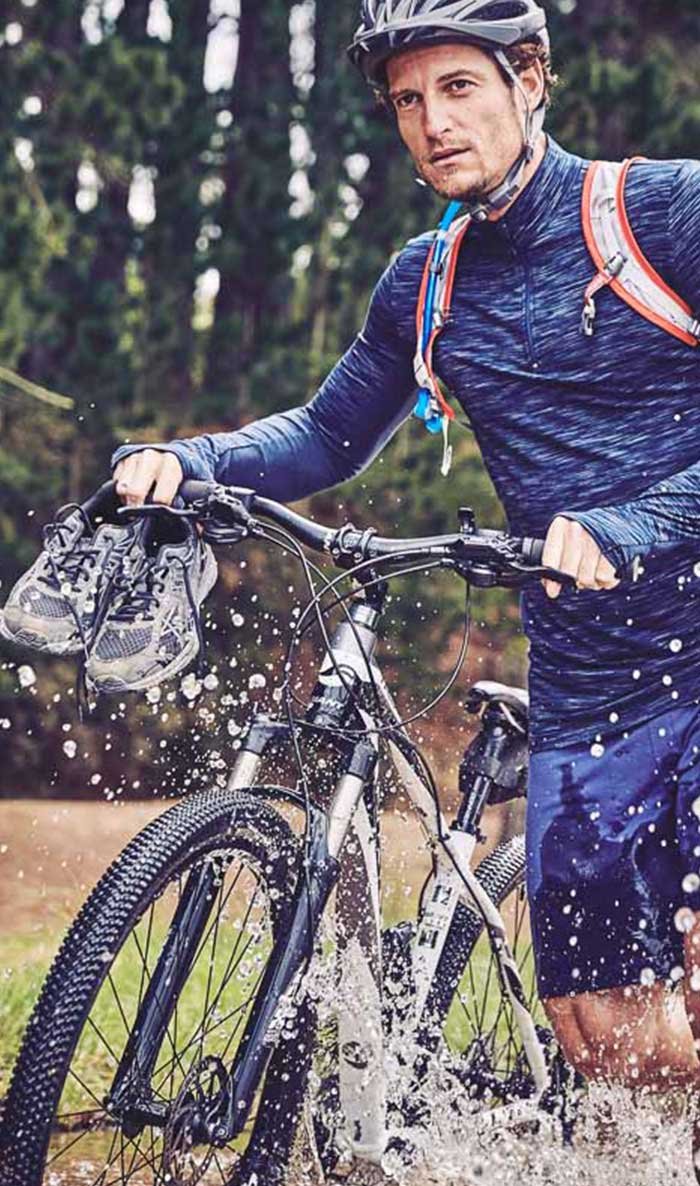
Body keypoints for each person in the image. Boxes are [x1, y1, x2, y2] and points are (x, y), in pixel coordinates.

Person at [99, 0, 700, 1159]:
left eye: (459, 87)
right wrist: (191, 461)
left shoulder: (662, 213)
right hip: (590, 683)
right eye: (408, 101)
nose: (433, 122)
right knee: (608, 1041)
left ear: (530, 79)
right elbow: (327, 436)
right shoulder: (426, 283)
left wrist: (634, 522)